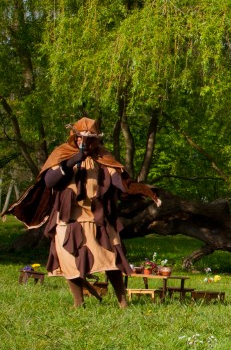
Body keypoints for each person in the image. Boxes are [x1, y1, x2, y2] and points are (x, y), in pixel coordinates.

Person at [6, 117, 157, 308]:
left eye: (89, 138)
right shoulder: (62, 153)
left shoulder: (103, 157)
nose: (84, 142)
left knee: (110, 259)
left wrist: (135, 189)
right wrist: (71, 163)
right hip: (69, 219)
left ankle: (123, 302)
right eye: (80, 138)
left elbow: (118, 180)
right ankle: (79, 303)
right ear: (74, 137)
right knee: (70, 261)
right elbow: (50, 181)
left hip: (98, 217)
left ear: (96, 140)